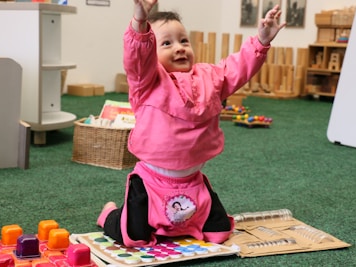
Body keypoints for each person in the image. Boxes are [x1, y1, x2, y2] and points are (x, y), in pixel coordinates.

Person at [97, 0, 285, 247]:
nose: (179, 48)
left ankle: (185, 220)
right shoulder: (147, 81)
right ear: (151, 53)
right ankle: (109, 214)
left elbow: (236, 70)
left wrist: (260, 42)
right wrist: (139, 23)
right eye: (166, 43)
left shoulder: (208, 77)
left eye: (184, 41)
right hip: (151, 183)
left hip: (192, 181)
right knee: (133, 237)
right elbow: (137, 56)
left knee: (219, 233)